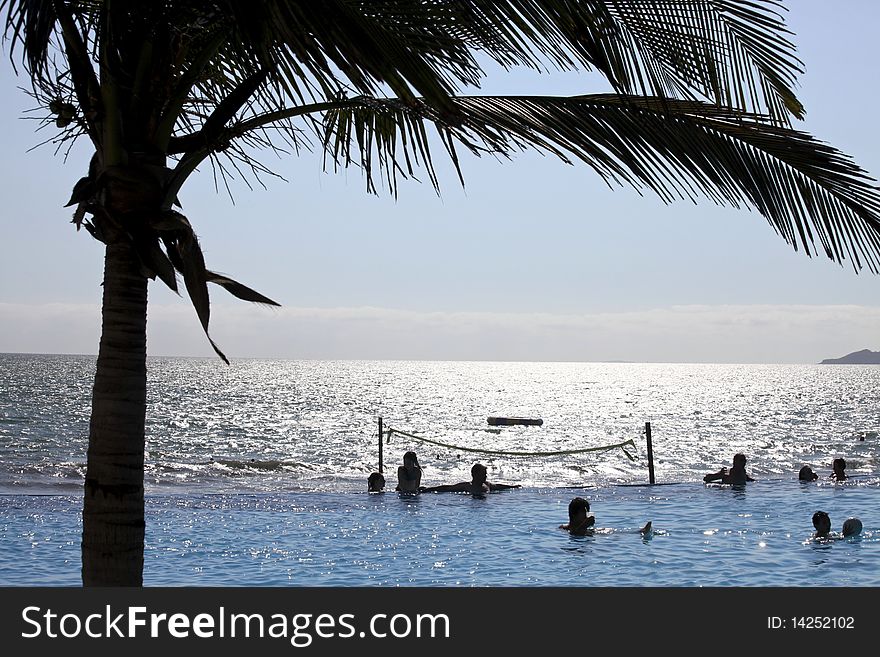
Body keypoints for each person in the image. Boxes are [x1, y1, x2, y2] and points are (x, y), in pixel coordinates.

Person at [421, 462, 521, 494]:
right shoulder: (467, 486)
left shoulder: (487, 485)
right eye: (483, 474)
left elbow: (499, 486)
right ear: (475, 475)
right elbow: (447, 488)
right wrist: (428, 489)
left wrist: (513, 486)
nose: (486, 476)